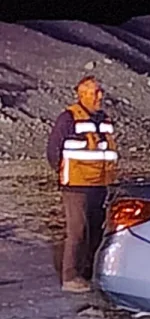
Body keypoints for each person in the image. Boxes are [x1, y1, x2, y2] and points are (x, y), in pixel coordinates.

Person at [46, 76, 118, 293]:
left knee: (96, 230)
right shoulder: (68, 119)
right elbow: (53, 151)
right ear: (82, 94)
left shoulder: (104, 119)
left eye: (100, 91)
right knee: (77, 231)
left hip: (100, 185)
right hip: (76, 186)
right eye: (95, 92)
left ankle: (88, 273)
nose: (100, 96)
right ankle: (70, 277)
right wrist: (66, 173)